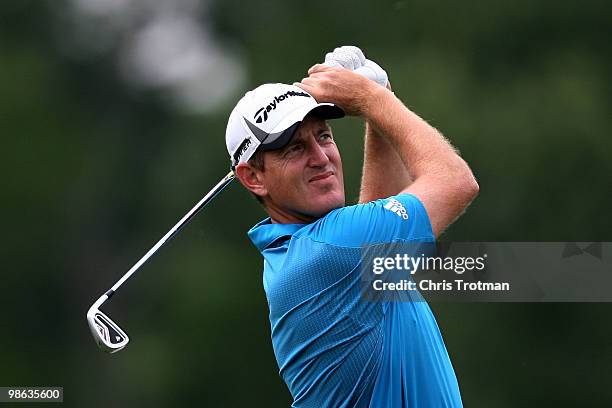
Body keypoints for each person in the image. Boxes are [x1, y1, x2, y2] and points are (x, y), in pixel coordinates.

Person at [225, 53, 478, 407]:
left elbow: (372, 238)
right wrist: (372, 99)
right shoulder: (332, 247)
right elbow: (455, 182)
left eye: (324, 136)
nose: (320, 156)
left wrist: (378, 106)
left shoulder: (302, 251)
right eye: (295, 148)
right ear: (253, 177)